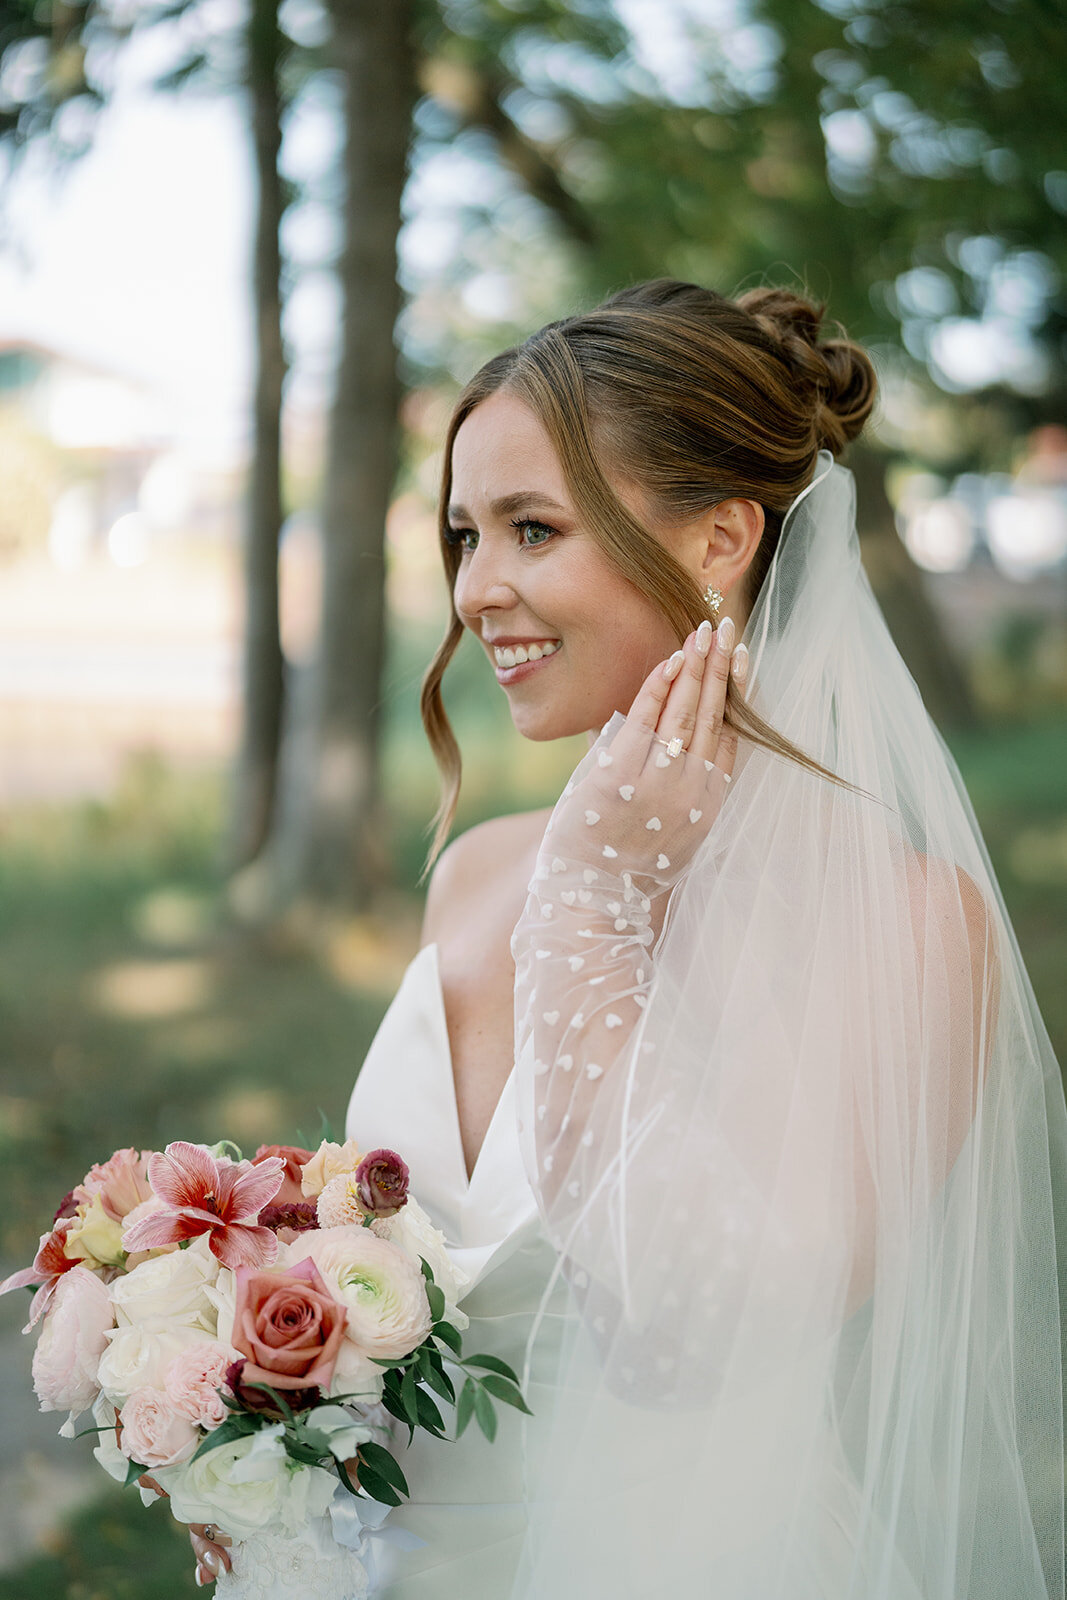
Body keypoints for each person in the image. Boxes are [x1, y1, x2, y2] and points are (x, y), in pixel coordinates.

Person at [198, 278, 1067, 1596]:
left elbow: (679, 1338)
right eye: (463, 536)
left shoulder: (905, 927)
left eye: (532, 528)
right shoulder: (480, 875)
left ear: (722, 539)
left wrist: (599, 909)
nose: (478, 589)